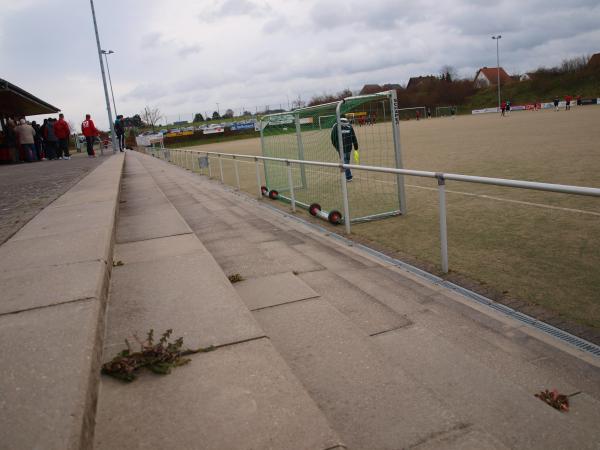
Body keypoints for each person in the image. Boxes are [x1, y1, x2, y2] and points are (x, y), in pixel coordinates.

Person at [330, 117, 358, 182]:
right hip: (348, 148)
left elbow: (332, 137)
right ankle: (346, 175)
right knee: (346, 161)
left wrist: (336, 147)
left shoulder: (336, 126)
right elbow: (354, 137)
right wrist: (356, 146)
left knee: (344, 162)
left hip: (341, 148)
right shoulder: (349, 126)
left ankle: (348, 176)